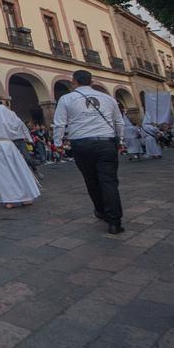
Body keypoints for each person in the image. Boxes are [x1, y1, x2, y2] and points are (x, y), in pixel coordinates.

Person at [52, 70, 123, 234]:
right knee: (109, 182)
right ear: (91, 81)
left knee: (91, 180)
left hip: (82, 144)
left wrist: (57, 143)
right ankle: (114, 222)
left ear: (74, 82)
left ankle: (101, 210)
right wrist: (120, 140)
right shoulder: (108, 98)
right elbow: (119, 122)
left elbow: (59, 123)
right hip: (106, 142)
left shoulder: (66, 98)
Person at [0, 86, 41, 210]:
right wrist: (18, 136)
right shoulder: (3, 111)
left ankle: (11, 199)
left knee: (3, 173)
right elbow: (18, 125)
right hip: (6, 143)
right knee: (15, 169)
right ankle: (23, 196)